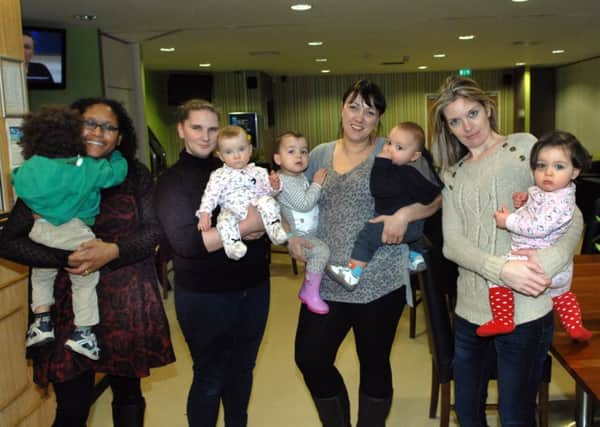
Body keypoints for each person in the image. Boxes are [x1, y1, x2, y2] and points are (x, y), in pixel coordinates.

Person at [0, 98, 175, 427]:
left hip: (125, 304)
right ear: (71, 128)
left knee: (128, 398)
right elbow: (7, 242)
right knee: (72, 408)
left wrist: (112, 251)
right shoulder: (50, 171)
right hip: (68, 308)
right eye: (89, 123)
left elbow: (154, 231)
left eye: (109, 127)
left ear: (120, 138)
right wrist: (66, 259)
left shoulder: (133, 174)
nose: (98, 132)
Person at [430, 75, 583, 426]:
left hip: (527, 310)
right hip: (470, 310)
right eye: (455, 121)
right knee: (467, 411)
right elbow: (452, 244)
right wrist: (502, 269)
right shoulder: (452, 174)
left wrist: (544, 263)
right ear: (447, 128)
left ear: (487, 109)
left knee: (515, 415)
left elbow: (570, 215)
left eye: (472, 113)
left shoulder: (523, 148)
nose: (466, 127)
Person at [288, 80, 441, 427]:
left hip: (379, 279)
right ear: (341, 108)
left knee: (373, 362)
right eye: (354, 107)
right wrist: (292, 237)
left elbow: (435, 197)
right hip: (327, 279)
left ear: (379, 119)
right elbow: (294, 198)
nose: (360, 117)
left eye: (370, 111)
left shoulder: (395, 150)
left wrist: (405, 215)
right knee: (310, 359)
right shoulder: (319, 155)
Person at [155, 99, 269, 427]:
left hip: (254, 287)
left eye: (212, 129)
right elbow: (187, 244)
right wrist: (244, 226)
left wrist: (258, 224)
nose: (205, 137)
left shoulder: (240, 169)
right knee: (210, 378)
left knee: (242, 372)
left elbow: (267, 218)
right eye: (196, 128)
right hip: (205, 296)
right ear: (181, 130)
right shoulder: (172, 181)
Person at [11, 105, 128, 360]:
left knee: (41, 274)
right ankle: (83, 332)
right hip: (75, 231)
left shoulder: (30, 166)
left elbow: (15, 177)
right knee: (84, 277)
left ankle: (41, 322)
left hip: (40, 232)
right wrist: (118, 157)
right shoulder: (85, 166)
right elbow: (115, 174)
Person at [477, 130, 591, 340]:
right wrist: (525, 200)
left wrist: (508, 220)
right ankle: (575, 327)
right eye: (541, 165)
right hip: (558, 269)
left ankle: (503, 320)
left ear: (575, 171)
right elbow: (536, 203)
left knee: (496, 276)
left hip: (534, 260)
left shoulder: (561, 201)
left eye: (559, 166)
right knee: (562, 294)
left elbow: (538, 227)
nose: (548, 173)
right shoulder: (549, 191)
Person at [327, 121, 442, 290]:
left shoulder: (403, 172)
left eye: (399, 147)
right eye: (389, 142)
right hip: (415, 230)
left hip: (391, 226)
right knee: (416, 231)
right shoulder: (418, 173)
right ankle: (416, 257)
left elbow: (378, 189)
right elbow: (432, 193)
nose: (389, 149)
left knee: (366, 238)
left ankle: (353, 274)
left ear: (414, 156)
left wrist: (381, 163)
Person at [197, 125, 287, 260]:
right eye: (229, 152)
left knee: (268, 202)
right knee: (224, 219)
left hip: (257, 208)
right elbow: (210, 195)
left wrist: (274, 186)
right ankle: (233, 245)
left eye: (241, 149)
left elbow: (268, 194)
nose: (237, 155)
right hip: (233, 212)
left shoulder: (259, 172)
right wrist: (205, 214)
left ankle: (274, 229)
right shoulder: (218, 175)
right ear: (220, 156)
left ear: (250, 150)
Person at [273, 131, 330, 314]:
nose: (299, 155)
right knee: (321, 251)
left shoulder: (299, 177)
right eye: (291, 151)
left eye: (304, 151)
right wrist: (317, 184)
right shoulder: (284, 181)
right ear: (277, 158)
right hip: (300, 235)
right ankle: (309, 291)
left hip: (310, 231)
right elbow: (304, 204)